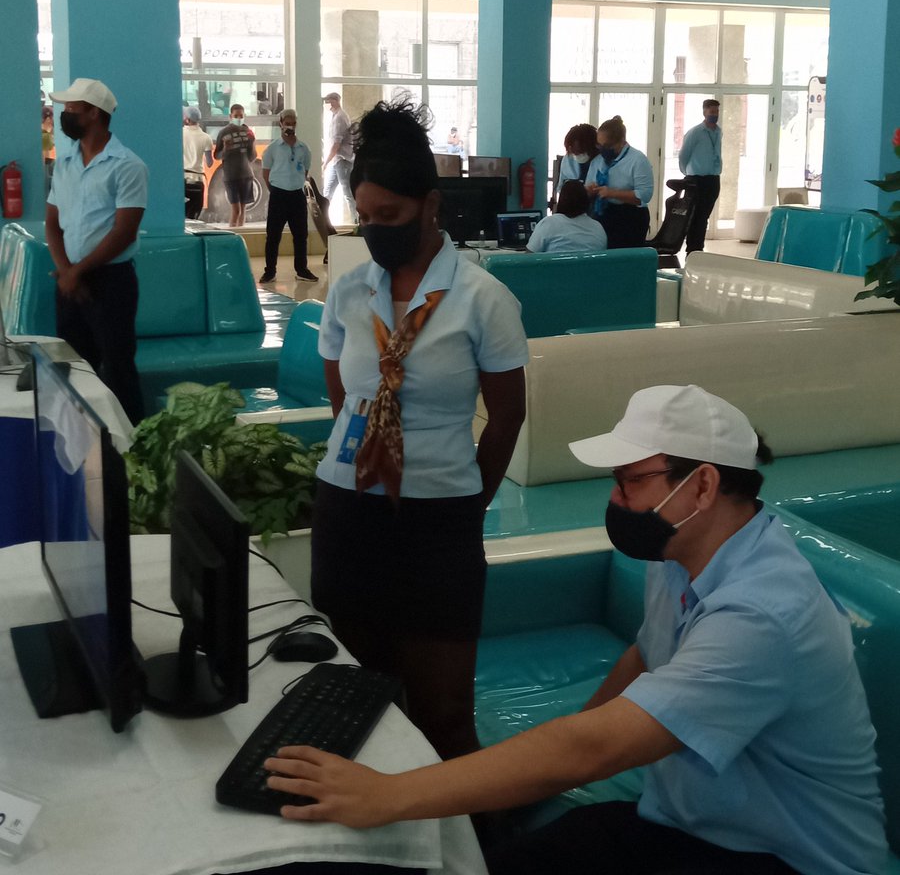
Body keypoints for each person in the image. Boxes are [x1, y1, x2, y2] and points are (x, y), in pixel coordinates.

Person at [264, 384, 888, 875]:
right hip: (689, 824)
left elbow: (596, 747)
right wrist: (557, 767)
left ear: (703, 484)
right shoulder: (681, 553)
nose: (615, 500)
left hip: (787, 859)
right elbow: (645, 657)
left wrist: (387, 795)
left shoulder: (763, 615)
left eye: (631, 481)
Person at [309, 98, 528, 761]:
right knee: (357, 704)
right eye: (365, 217)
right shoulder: (350, 292)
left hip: (439, 524)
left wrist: (467, 500)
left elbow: (507, 415)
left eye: (391, 216)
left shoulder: (484, 300)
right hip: (348, 511)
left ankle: (472, 826)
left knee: (443, 712)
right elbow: (343, 395)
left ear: (431, 205)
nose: (376, 231)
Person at [45, 78, 148, 425]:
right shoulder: (65, 163)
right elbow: (52, 224)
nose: (63, 114)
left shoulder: (127, 165)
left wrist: (75, 272)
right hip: (70, 281)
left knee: (117, 368)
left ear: (93, 113)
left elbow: (124, 232)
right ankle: (82, 441)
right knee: (73, 367)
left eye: (71, 108)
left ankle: (130, 445)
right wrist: (66, 270)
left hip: (111, 282)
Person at [259, 108, 317, 285]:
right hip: (278, 195)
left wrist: (294, 184)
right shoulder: (272, 148)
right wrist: (276, 189)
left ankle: (302, 270)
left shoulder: (303, 148)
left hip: (297, 195)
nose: (290, 126)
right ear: (281, 124)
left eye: (293, 123)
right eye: (287, 123)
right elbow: (266, 173)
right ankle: (270, 271)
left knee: (301, 235)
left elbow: (305, 171)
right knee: (273, 235)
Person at [585, 115, 654, 249]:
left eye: (607, 146)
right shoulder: (598, 161)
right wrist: (590, 190)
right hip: (603, 213)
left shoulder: (637, 160)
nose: (602, 150)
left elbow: (644, 195)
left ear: (622, 141)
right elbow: (587, 186)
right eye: (599, 145)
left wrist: (612, 193)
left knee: (624, 257)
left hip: (630, 217)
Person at [678, 98, 723, 254]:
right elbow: (684, 155)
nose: (715, 114)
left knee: (704, 216)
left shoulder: (718, 131)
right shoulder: (695, 132)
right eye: (712, 111)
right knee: (695, 216)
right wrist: (687, 174)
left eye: (717, 111)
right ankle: (693, 249)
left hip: (713, 179)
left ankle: (697, 248)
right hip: (696, 179)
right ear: (704, 112)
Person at [526, 180, 607, 254]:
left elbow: (528, 257)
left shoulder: (549, 223)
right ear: (586, 201)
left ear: (561, 200)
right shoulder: (598, 228)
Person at [214, 104, 257, 227]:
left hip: (246, 175)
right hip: (231, 176)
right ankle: (233, 232)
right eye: (236, 116)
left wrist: (252, 142)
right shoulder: (224, 132)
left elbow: (252, 157)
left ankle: (241, 232)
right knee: (236, 210)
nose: (239, 118)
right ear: (230, 116)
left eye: (241, 116)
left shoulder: (248, 132)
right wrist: (226, 149)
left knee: (243, 210)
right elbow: (217, 155)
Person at [322, 91, 357, 224]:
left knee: (348, 192)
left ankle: (356, 221)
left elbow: (337, 143)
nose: (327, 104)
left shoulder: (340, 118)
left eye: (328, 101)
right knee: (327, 192)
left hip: (343, 160)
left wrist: (326, 162)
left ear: (335, 101)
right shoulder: (336, 116)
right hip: (337, 161)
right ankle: (323, 221)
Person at [182, 106, 212, 220]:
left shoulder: (179, 134)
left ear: (187, 120)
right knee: (193, 217)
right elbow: (209, 163)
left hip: (182, 180)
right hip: (198, 181)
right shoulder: (206, 138)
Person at [556, 123, 599, 194]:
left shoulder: (601, 161)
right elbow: (561, 188)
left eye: (578, 151)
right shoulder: (568, 159)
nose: (574, 154)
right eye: (571, 151)